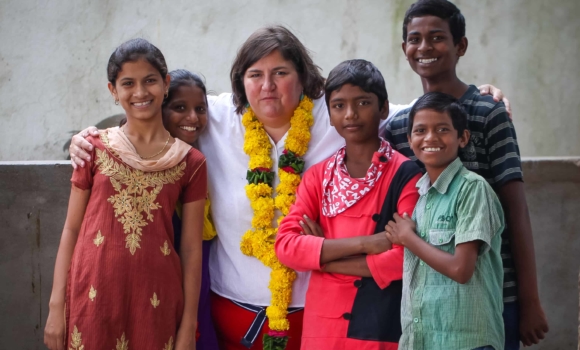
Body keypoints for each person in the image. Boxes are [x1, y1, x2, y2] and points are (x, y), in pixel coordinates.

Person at [68, 26, 508, 350]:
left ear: (304, 79)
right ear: (240, 81)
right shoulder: (218, 116)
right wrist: (85, 138)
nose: (267, 86)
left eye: (280, 73)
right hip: (230, 311)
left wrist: (476, 95)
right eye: (255, 74)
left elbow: (408, 111)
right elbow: (149, 110)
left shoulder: (332, 114)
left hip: (319, 318)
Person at [384, 1, 549, 348]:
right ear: (404, 49)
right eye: (415, 39)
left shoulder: (489, 113)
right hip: (427, 300)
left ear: (460, 46)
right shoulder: (401, 127)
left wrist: (529, 300)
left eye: (437, 37)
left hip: (492, 293)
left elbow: (516, 211)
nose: (425, 47)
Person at [44, 39, 207, 350]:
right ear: (113, 91)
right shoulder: (93, 148)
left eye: (150, 81)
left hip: (157, 300)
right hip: (92, 296)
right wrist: (55, 308)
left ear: (165, 83)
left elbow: (190, 250)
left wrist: (188, 326)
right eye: (128, 83)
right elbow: (72, 229)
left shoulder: (191, 162)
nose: (140, 92)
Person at [275, 59, 422, 349]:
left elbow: (406, 260)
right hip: (322, 327)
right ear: (329, 115)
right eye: (339, 105)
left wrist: (325, 259)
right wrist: (367, 243)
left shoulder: (406, 175)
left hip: (378, 326)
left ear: (383, 108)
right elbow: (286, 247)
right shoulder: (318, 176)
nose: (351, 114)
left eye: (363, 103)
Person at [386, 92, 505, 350]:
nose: (430, 138)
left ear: (462, 138)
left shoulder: (472, 189)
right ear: (409, 139)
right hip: (422, 339)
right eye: (420, 130)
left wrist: (409, 239)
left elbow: (461, 270)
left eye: (442, 129)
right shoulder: (420, 196)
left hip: (467, 341)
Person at [162, 69, 219, 350]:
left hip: (199, 289)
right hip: (160, 291)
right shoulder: (142, 165)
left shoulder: (202, 160)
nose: (193, 118)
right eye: (180, 108)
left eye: (200, 108)